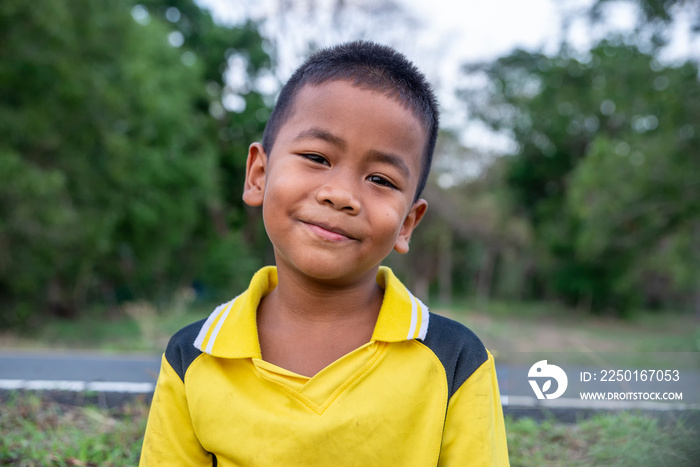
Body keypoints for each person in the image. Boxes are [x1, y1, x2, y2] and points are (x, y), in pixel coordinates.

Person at [140, 40, 509, 466]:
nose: (341, 195)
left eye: (381, 180)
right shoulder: (195, 356)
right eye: (316, 157)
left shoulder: (455, 360)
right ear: (259, 175)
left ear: (407, 223)